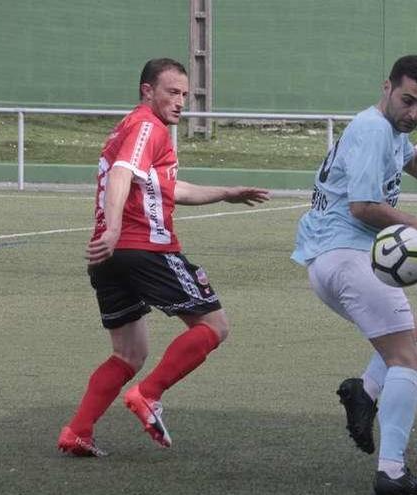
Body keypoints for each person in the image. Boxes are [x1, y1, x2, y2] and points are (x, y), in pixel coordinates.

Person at [291, 55, 417, 494]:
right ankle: (393, 474)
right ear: (386, 88)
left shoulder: (390, 131)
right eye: (408, 101)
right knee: (406, 358)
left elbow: (414, 159)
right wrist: (413, 224)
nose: (414, 113)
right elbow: (362, 207)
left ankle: (364, 392)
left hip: (333, 260)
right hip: (347, 259)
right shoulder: (372, 129)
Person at [57, 58, 270, 457]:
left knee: (128, 353)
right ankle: (149, 394)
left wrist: (225, 192)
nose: (180, 101)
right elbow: (122, 174)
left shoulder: (131, 128)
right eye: (172, 92)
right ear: (147, 91)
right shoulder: (145, 126)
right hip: (143, 249)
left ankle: (78, 431)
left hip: (109, 260)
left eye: (185, 94)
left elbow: (170, 188)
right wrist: (116, 228)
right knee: (214, 325)